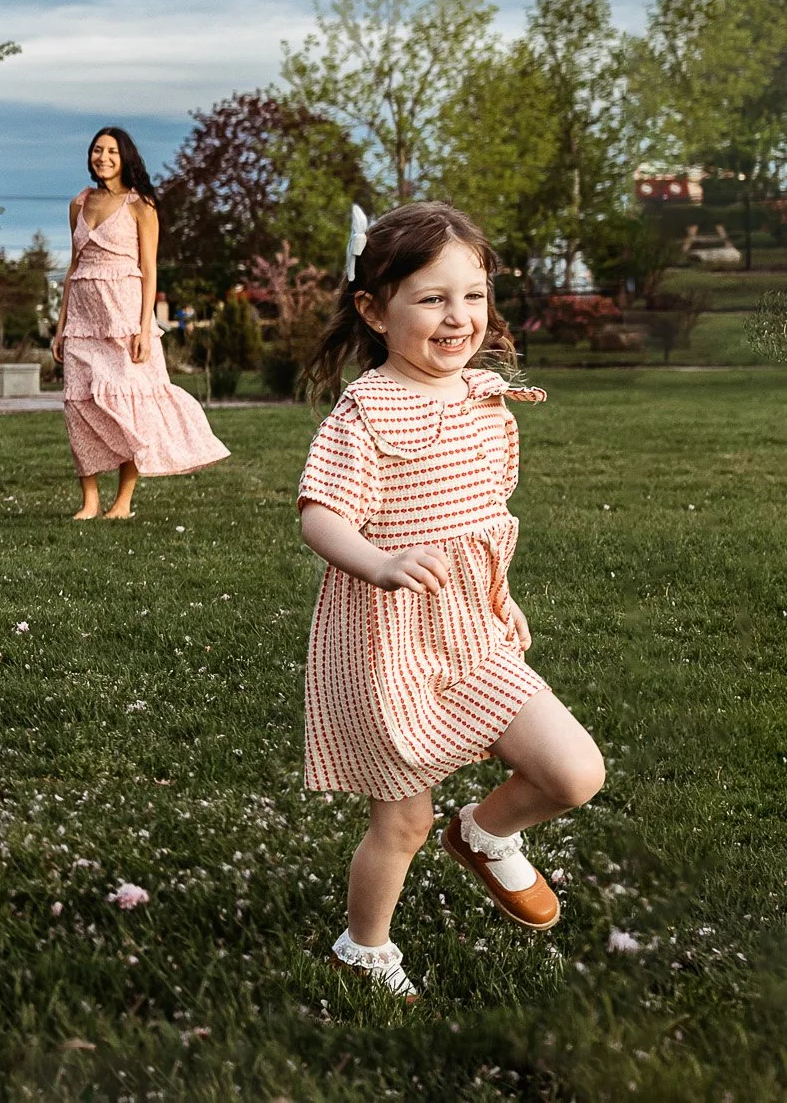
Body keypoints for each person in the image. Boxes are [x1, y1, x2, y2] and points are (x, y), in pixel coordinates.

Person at [296, 202, 604, 1000]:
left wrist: (500, 597)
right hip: (387, 640)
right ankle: (363, 951)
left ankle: (488, 831)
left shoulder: (486, 400)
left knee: (573, 773)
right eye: (432, 298)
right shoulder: (366, 411)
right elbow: (321, 514)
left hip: (473, 630)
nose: (458, 317)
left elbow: (485, 520)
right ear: (374, 309)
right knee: (402, 822)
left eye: (473, 295)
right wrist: (379, 560)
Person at [52, 127, 226, 518]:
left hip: (125, 315)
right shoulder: (78, 204)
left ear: (124, 157)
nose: (103, 157)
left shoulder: (140, 205)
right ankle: (90, 500)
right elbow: (74, 266)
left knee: (128, 406)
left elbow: (149, 268)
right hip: (83, 319)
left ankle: (123, 502)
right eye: (97, 150)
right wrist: (61, 325)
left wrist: (145, 329)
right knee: (79, 405)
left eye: (111, 151)